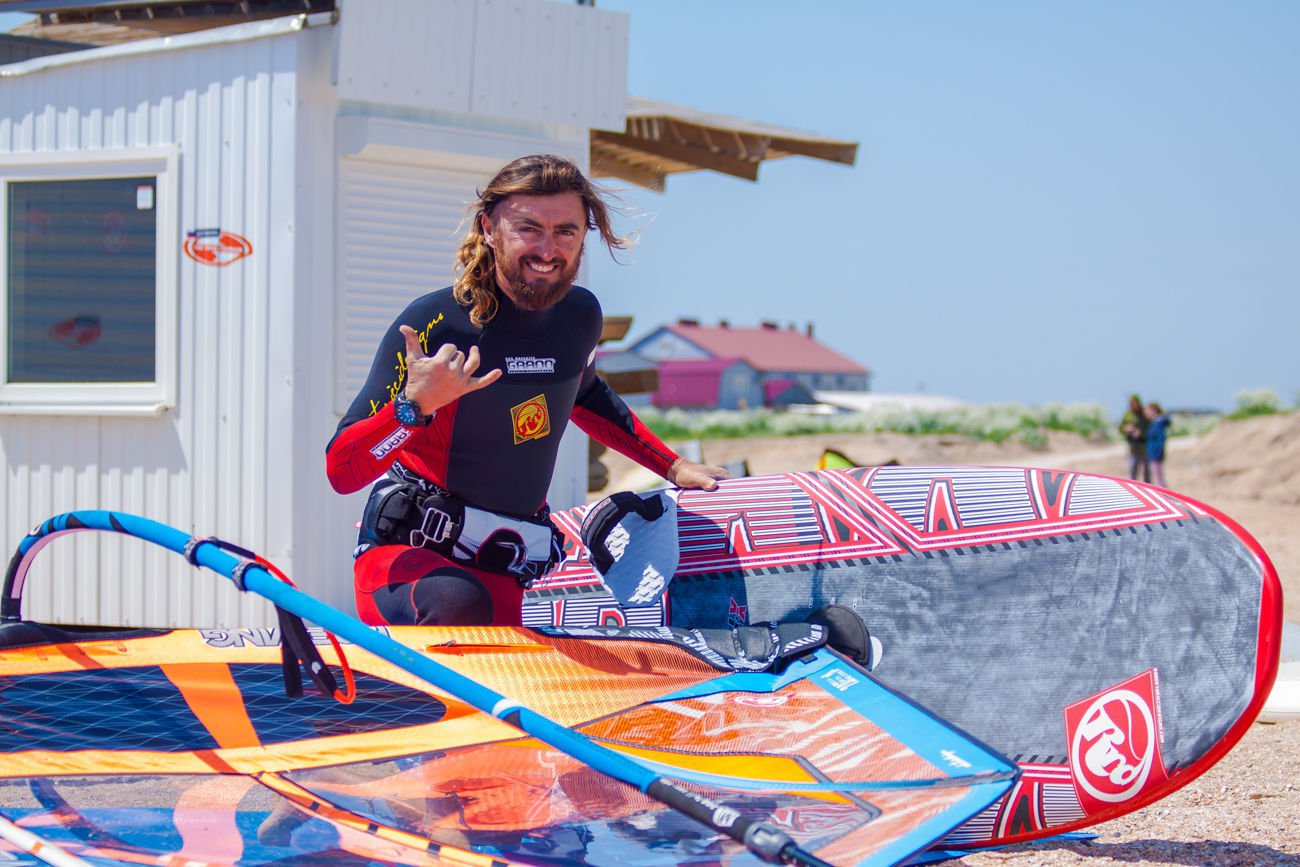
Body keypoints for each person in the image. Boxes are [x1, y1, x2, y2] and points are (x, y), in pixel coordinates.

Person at [325, 154, 729, 627]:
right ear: (489, 229)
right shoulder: (438, 325)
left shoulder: (580, 318)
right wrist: (414, 407)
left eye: (565, 232)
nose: (547, 249)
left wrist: (673, 466)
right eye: (528, 228)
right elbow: (342, 471)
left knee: (523, 635)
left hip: (504, 568)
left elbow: (585, 395)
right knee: (462, 606)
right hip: (409, 563)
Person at [1119, 394, 1150, 482]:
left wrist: (1140, 432)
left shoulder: (1144, 414)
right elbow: (1120, 428)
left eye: (1136, 403)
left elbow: (1150, 428)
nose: (1134, 405)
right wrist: (1126, 429)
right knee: (1132, 470)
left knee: (1146, 471)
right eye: (1132, 403)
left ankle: (1147, 487)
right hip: (1132, 447)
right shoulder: (1127, 415)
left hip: (1144, 446)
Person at [1145, 401, 1172, 487]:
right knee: (1158, 478)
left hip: (1156, 454)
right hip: (1154, 454)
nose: (1146, 412)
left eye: (1147, 410)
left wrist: (1157, 453)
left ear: (1153, 410)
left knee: (1159, 480)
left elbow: (1161, 439)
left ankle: (1166, 495)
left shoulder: (1158, 423)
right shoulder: (1155, 422)